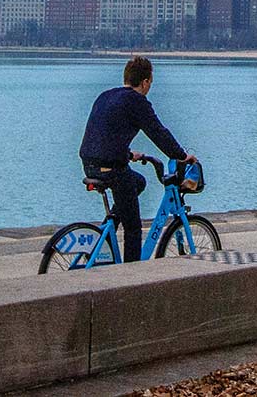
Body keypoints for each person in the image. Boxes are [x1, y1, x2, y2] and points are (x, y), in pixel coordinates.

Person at [78, 56, 196, 264]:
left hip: (89, 164)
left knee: (138, 182)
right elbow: (158, 133)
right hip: (112, 169)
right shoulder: (137, 101)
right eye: (150, 82)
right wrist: (181, 155)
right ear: (145, 82)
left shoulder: (106, 96)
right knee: (133, 229)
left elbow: (103, 134)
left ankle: (111, 226)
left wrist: (129, 154)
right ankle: (131, 277)